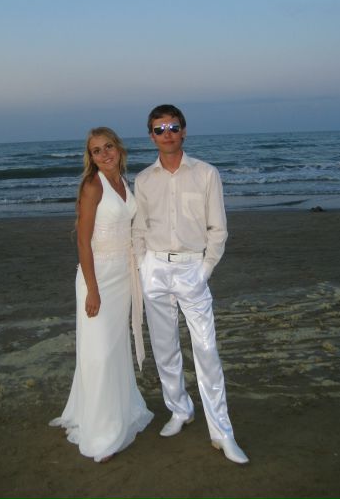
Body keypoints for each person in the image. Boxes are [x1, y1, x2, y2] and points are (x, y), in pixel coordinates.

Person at [132, 104, 249, 464]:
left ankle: (222, 432)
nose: (166, 134)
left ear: (184, 131)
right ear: (151, 136)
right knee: (164, 347)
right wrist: (143, 266)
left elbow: (218, 228)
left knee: (206, 349)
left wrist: (204, 269)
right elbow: (139, 229)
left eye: (172, 127)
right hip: (155, 269)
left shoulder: (206, 173)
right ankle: (179, 409)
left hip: (191, 270)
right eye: (159, 129)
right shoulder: (144, 179)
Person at [50, 127, 153, 463]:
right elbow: (83, 242)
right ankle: (101, 431)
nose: (104, 154)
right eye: (96, 150)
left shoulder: (124, 181)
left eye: (108, 146)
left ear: (118, 148)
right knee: (99, 352)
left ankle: (120, 411)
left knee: (116, 347)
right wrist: (92, 290)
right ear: (91, 157)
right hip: (98, 277)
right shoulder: (92, 186)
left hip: (123, 274)